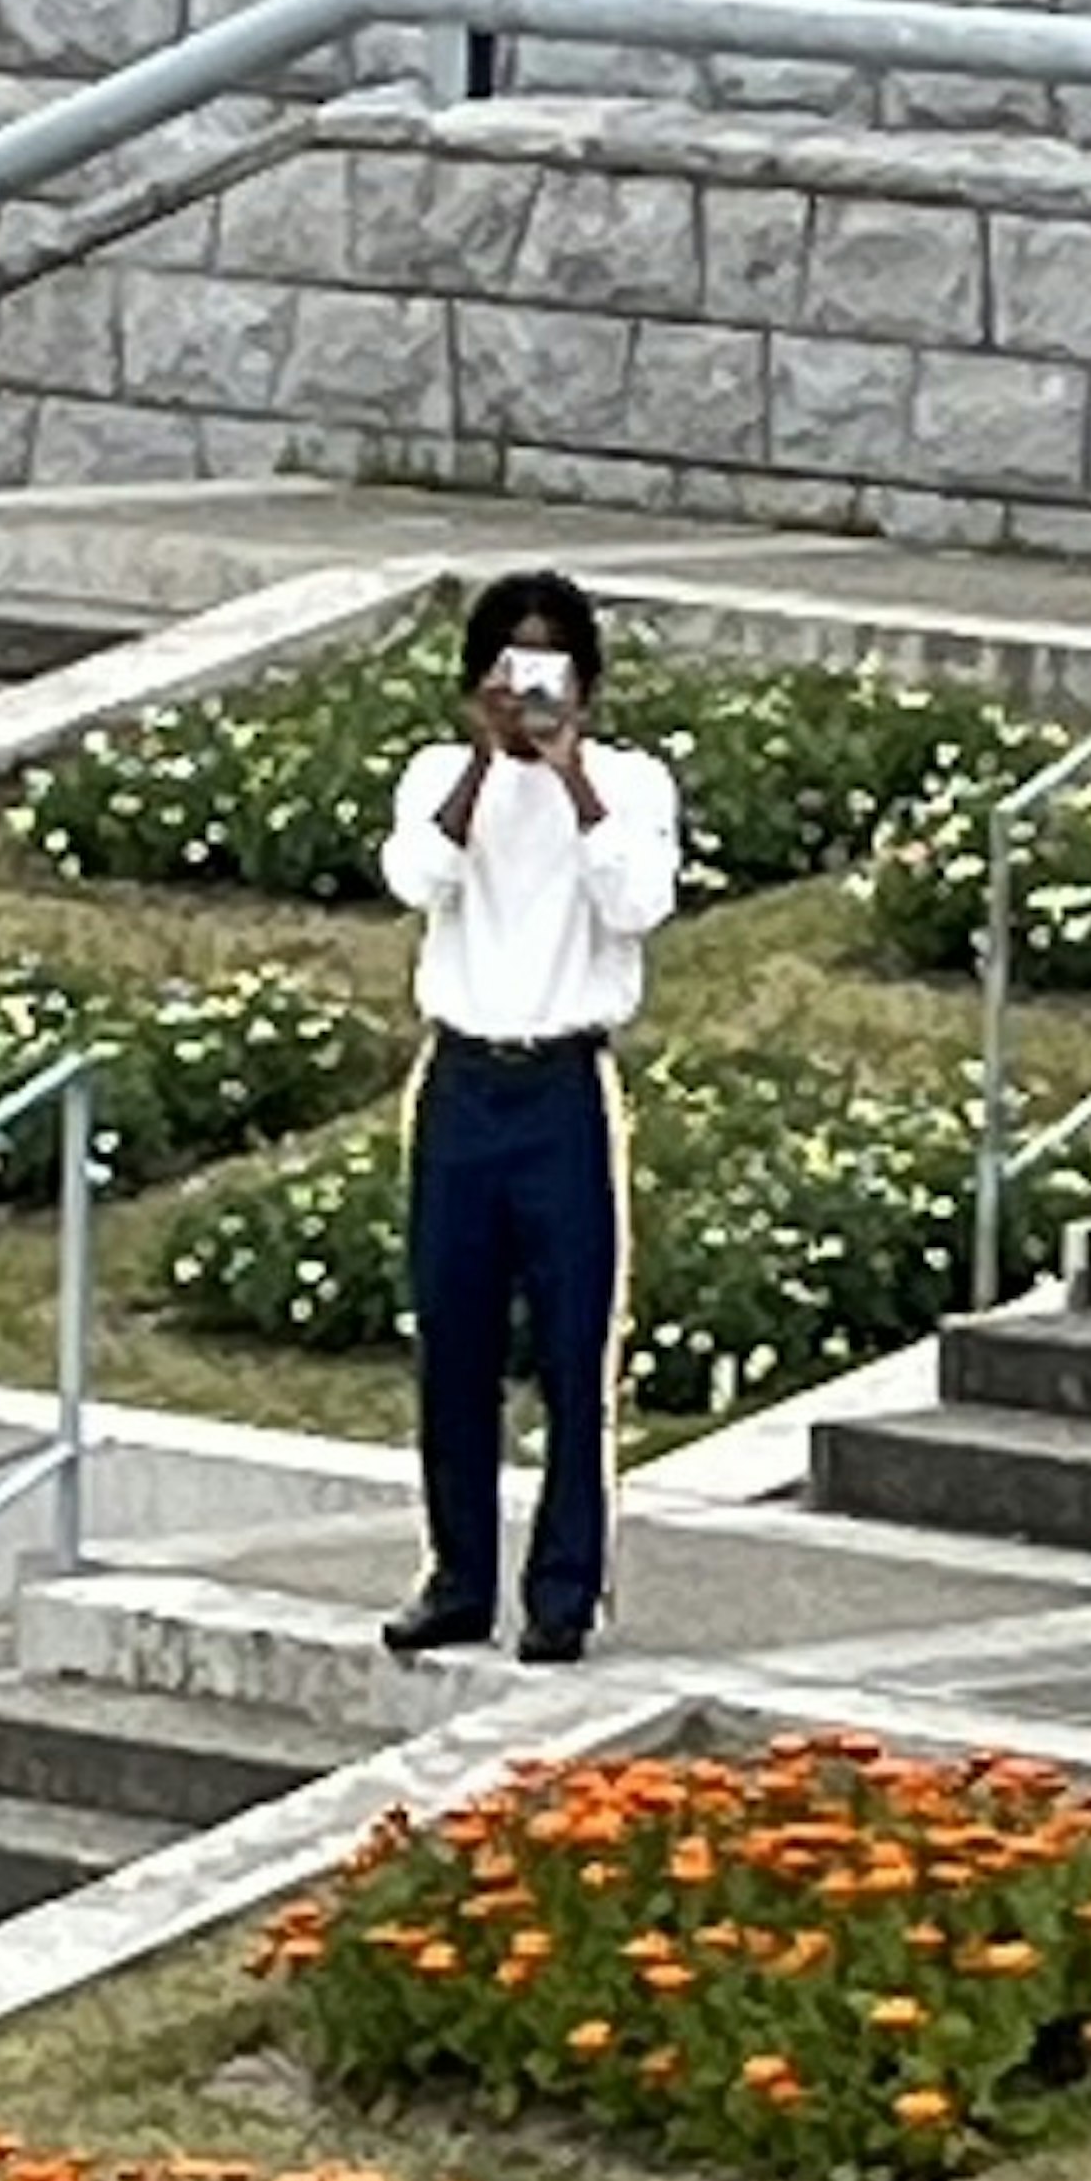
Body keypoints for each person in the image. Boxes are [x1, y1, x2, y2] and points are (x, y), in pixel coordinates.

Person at [376, 573, 680, 1666]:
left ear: (586, 680)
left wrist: (573, 775)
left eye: (550, 662)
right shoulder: (438, 778)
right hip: (461, 1080)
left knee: (572, 1346)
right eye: (509, 662)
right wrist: (481, 760)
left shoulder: (632, 783)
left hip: (563, 1085)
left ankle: (563, 1590)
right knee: (451, 1342)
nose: (530, 683)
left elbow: (637, 902)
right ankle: (456, 1575)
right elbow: (416, 876)